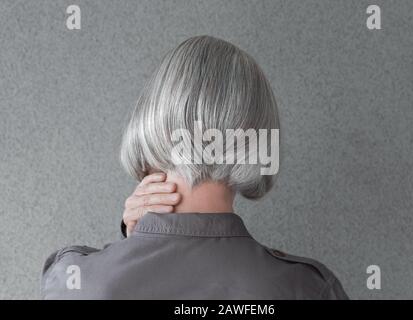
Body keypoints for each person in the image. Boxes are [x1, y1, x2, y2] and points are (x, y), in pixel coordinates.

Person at [41, 35, 348, 299]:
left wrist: (135, 240)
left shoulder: (74, 282)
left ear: (152, 121)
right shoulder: (306, 288)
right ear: (258, 137)